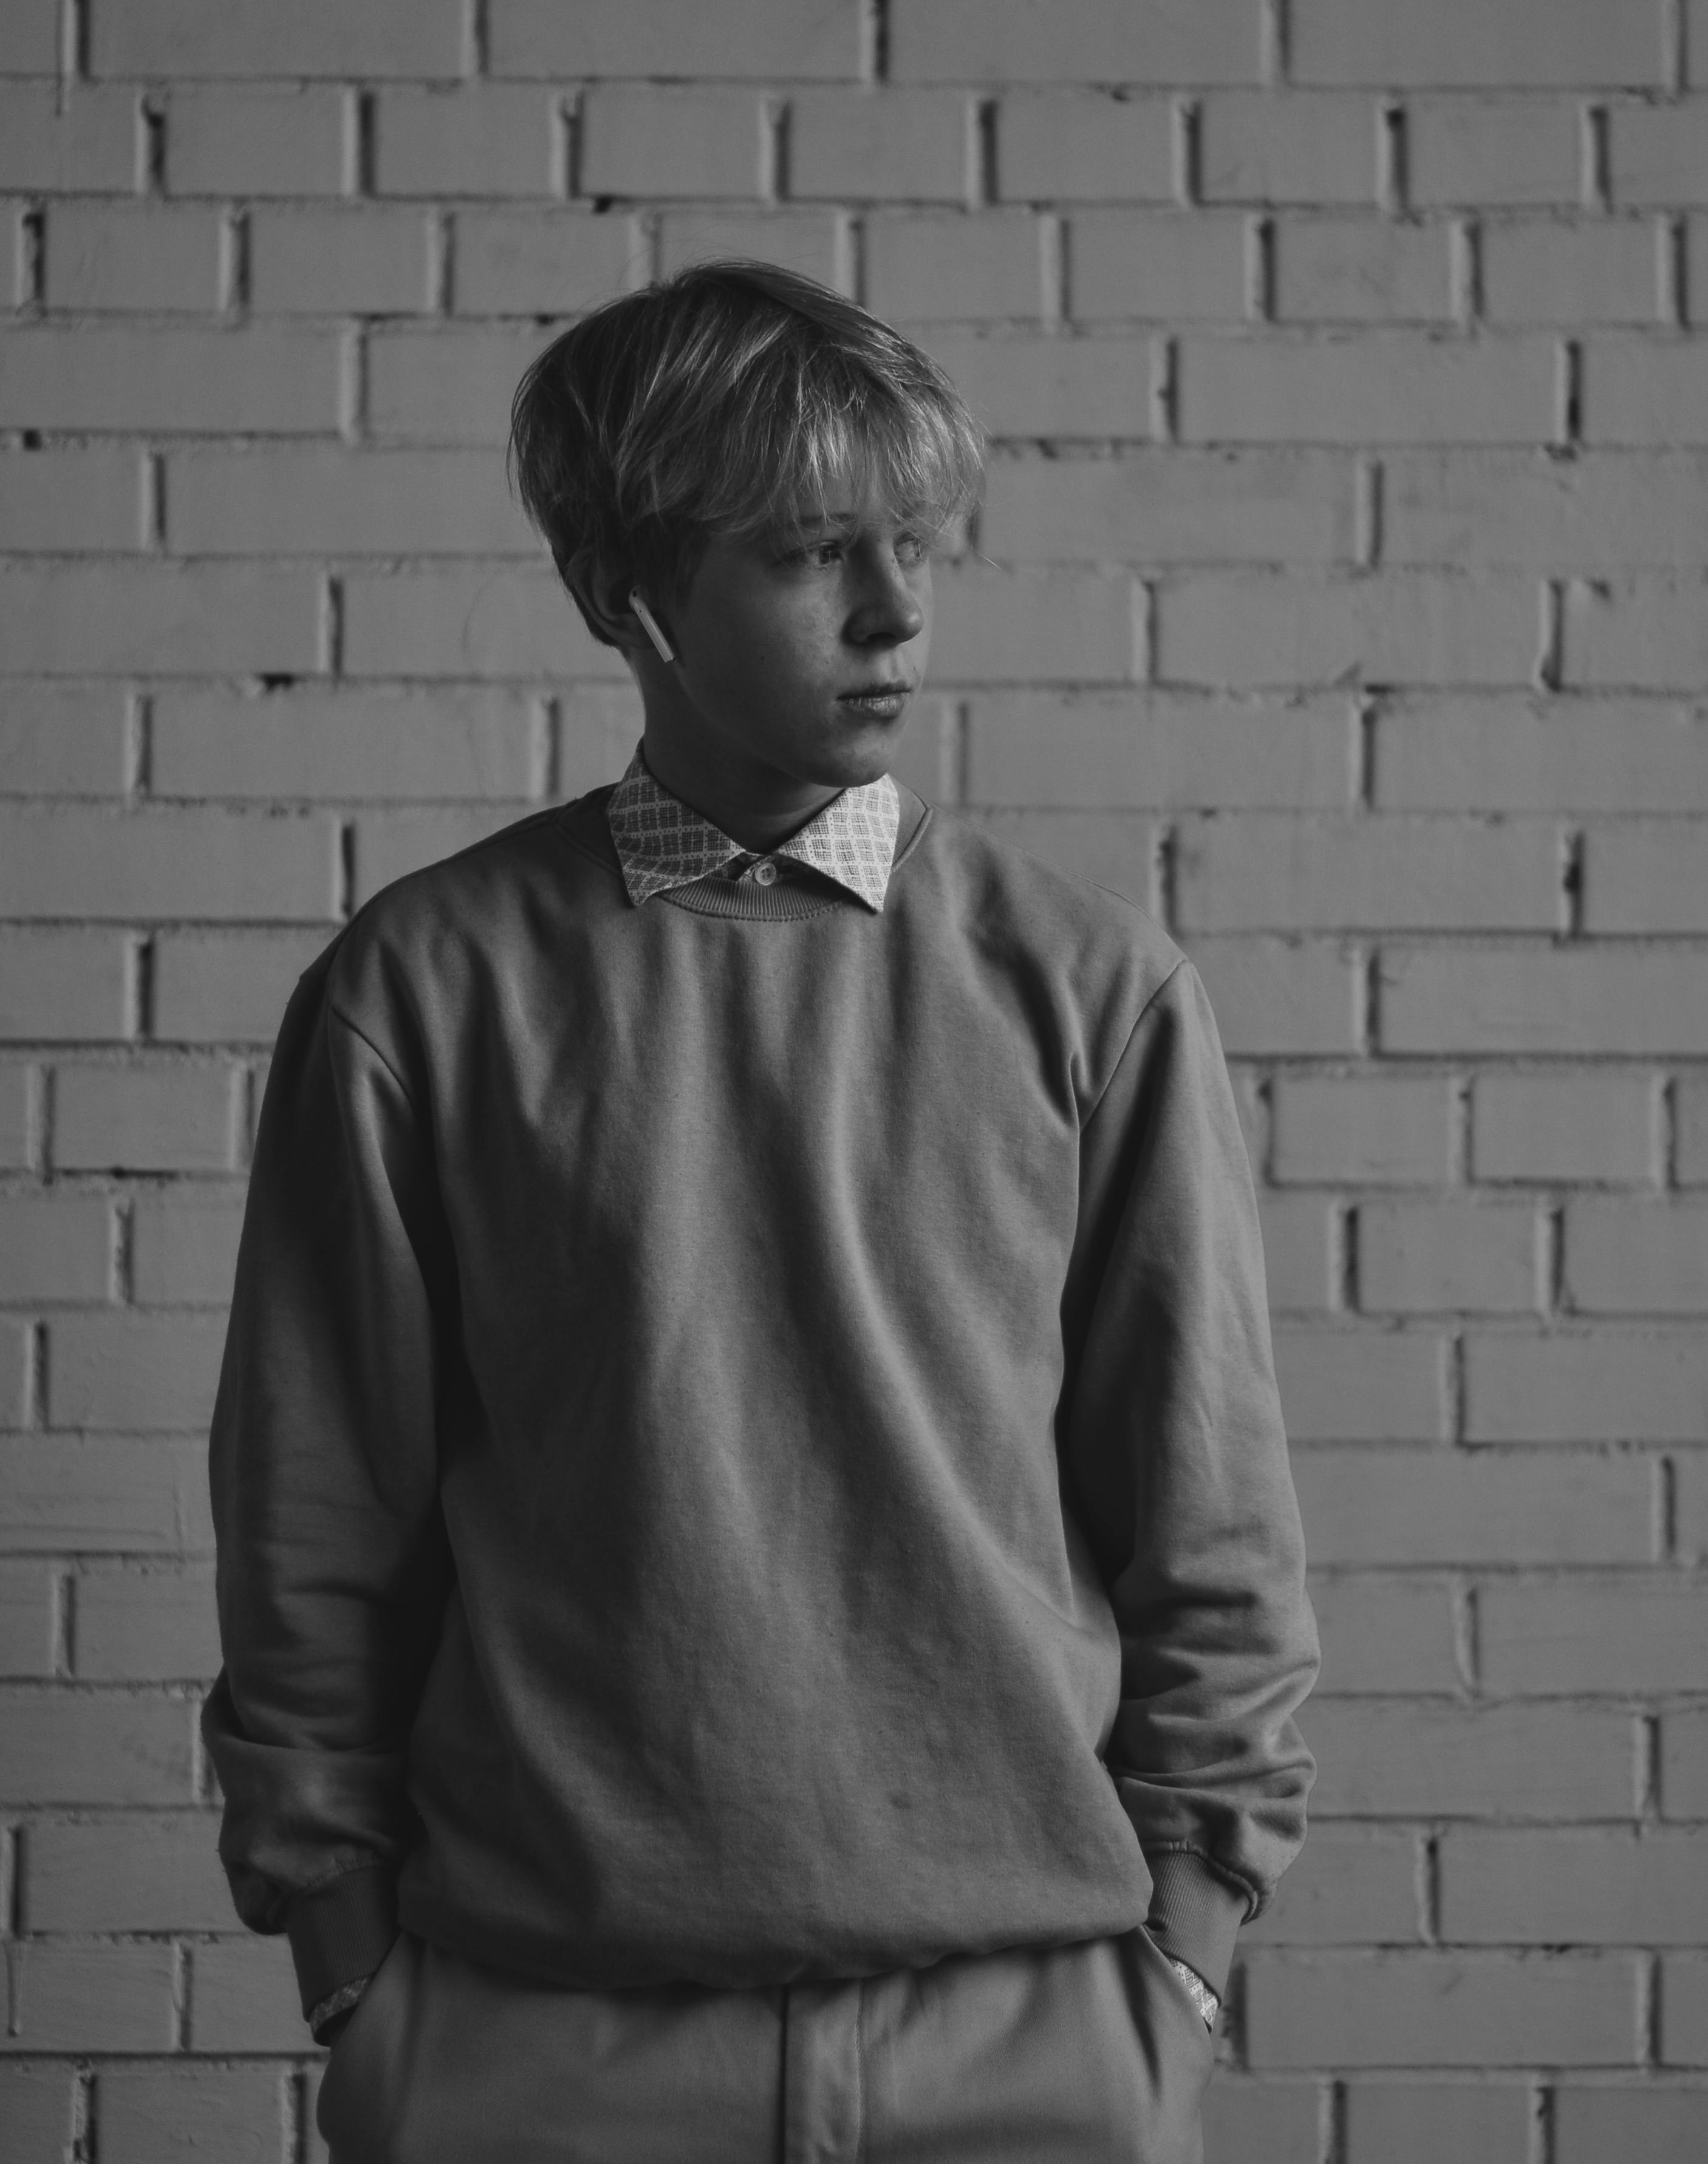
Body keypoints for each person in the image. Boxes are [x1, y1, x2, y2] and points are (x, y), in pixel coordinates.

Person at [203, 262, 1317, 2163]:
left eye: (916, 543)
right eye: (814, 554)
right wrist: (350, 1973)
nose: (895, 612)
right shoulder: (424, 992)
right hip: (534, 2050)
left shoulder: (1088, 990)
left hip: (1034, 2039)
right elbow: (318, 1528)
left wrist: (1186, 1960)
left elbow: (1206, 1527)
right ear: (621, 597)